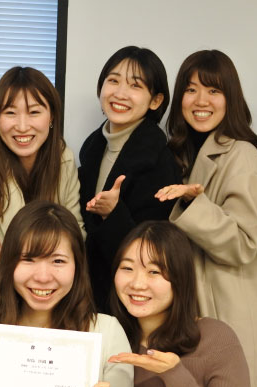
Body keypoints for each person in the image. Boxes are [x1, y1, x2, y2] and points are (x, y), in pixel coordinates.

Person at [155, 49, 257, 387]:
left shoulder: (243, 157)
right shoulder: (181, 155)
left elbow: (243, 242)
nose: (201, 101)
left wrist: (194, 204)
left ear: (231, 98)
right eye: (191, 90)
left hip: (233, 314)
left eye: (213, 90)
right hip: (197, 314)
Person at [0, 201, 135, 387]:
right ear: (9, 262)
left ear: (77, 265)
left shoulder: (107, 332)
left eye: (58, 261)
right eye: (28, 259)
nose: (43, 277)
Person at [0, 67, 84, 321]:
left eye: (34, 112)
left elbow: (77, 238)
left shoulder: (64, 161)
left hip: (52, 312)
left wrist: (15, 256)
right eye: (10, 113)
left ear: (51, 117)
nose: (22, 126)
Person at [109, 220, 250, 387]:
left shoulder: (215, 338)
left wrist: (174, 374)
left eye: (154, 271)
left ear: (180, 278)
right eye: (127, 268)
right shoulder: (107, 338)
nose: (137, 283)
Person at [78, 46, 180, 313]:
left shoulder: (160, 163)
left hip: (129, 304)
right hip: (84, 297)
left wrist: (113, 213)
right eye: (113, 81)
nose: (120, 93)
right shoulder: (93, 148)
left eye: (135, 86)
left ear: (155, 101)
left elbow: (153, 254)